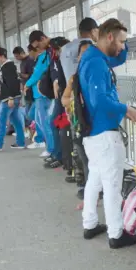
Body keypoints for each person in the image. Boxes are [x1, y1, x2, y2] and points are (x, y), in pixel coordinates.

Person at [78, 18, 136, 248]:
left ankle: (90, 223)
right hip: (104, 134)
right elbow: (100, 102)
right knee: (112, 185)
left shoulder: (92, 57)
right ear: (109, 37)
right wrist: (126, 108)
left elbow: (119, 56)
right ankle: (116, 234)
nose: (123, 47)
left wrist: (126, 43)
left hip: (92, 135)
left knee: (94, 179)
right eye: (122, 41)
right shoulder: (96, 64)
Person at [60, 18, 98, 187]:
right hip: (84, 110)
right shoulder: (90, 47)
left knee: (78, 144)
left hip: (73, 107)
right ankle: (89, 184)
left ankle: (80, 180)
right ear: (93, 31)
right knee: (88, 150)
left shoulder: (65, 49)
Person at [62, 40, 93, 200]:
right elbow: (64, 99)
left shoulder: (100, 73)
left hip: (96, 125)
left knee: (93, 160)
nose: (85, 56)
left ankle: (93, 190)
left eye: (89, 52)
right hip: (79, 124)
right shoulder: (74, 78)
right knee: (82, 157)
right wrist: (75, 103)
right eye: (82, 53)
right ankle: (85, 188)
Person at [0, 48, 25, 152]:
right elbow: (1, 83)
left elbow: (12, 83)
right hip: (10, 98)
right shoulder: (4, 67)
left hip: (8, 99)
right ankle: (21, 142)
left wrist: (11, 97)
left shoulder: (8, 67)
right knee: (16, 121)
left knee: (1, 121)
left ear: (2, 56)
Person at [25, 31, 53, 159]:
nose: (37, 49)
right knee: (40, 122)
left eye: (37, 46)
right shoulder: (44, 55)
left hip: (43, 94)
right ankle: (43, 142)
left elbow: (38, 74)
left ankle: (51, 149)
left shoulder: (47, 55)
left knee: (45, 123)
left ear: (43, 38)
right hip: (39, 95)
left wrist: (27, 84)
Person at [43, 36, 69, 169]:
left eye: (55, 49)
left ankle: (62, 157)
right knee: (56, 124)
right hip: (61, 97)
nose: (54, 52)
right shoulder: (57, 59)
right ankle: (60, 155)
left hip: (67, 98)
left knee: (58, 125)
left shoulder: (67, 59)